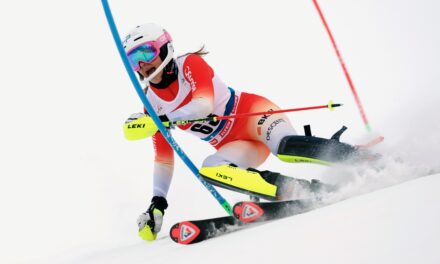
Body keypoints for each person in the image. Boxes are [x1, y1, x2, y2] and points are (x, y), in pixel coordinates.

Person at [122, 23, 355, 241]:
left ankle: (356, 158)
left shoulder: (189, 64)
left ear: (165, 48)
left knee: (284, 148)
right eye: (134, 60)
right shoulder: (151, 105)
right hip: (238, 146)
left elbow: (203, 104)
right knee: (211, 169)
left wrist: (162, 120)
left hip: (257, 117)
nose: (141, 64)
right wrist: (157, 203)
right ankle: (298, 189)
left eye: (145, 53)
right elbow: (163, 159)